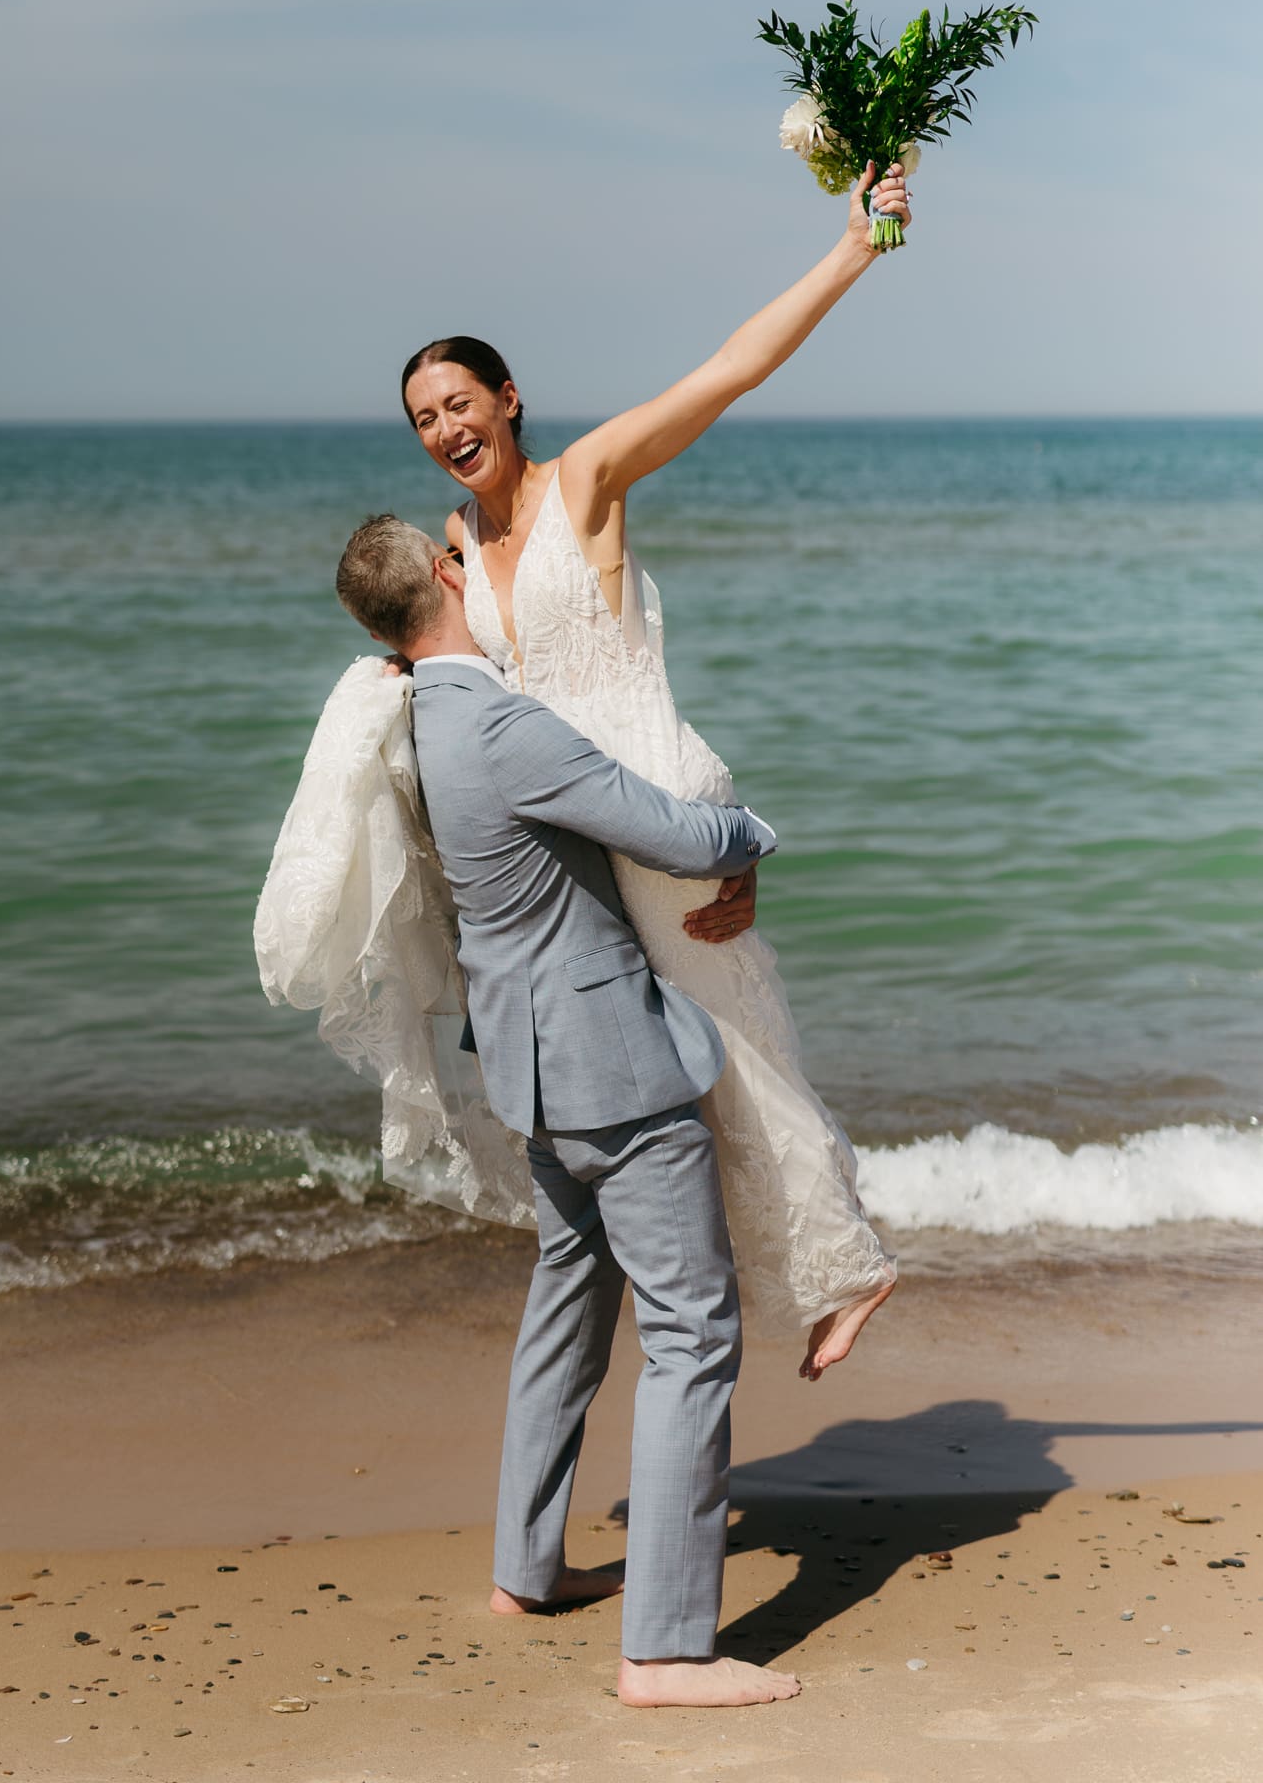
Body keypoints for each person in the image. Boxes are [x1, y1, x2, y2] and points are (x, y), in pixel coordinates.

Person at [401, 163, 907, 1372]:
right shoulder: (461, 548)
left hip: (661, 800)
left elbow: (729, 371)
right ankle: (801, 1267)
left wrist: (854, 249)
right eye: (423, 418)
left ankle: (848, 1263)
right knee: (702, 1043)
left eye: (460, 401)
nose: (445, 429)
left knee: (726, 1047)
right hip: (602, 830)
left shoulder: (586, 481)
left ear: (509, 398)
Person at [334, 511, 801, 1708]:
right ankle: (664, 1649)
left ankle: (524, 1567)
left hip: (534, 1070)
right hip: (609, 1068)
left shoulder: (426, 712)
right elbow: (667, 830)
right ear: (445, 577)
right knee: (695, 1330)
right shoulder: (495, 720)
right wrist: (755, 829)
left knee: (567, 1300)